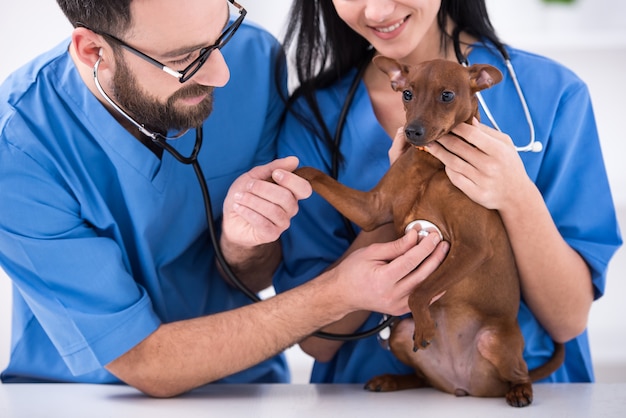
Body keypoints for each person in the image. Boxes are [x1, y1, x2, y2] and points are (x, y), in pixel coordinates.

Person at [0, 0, 450, 397]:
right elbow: (143, 360)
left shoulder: (254, 59)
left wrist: (240, 245)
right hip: (77, 399)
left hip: (244, 385)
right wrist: (337, 292)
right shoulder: (19, 148)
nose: (222, 73)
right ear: (94, 52)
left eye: (220, 37)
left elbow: (253, 276)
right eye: (184, 59)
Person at [274, 0, 623, 385]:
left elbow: (568, 320)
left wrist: (516, 196)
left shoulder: (553, 93)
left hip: (519, 394)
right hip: (366, 397)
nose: (376, 11)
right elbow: (318, 342)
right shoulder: (313, 116)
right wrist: (400, 201)